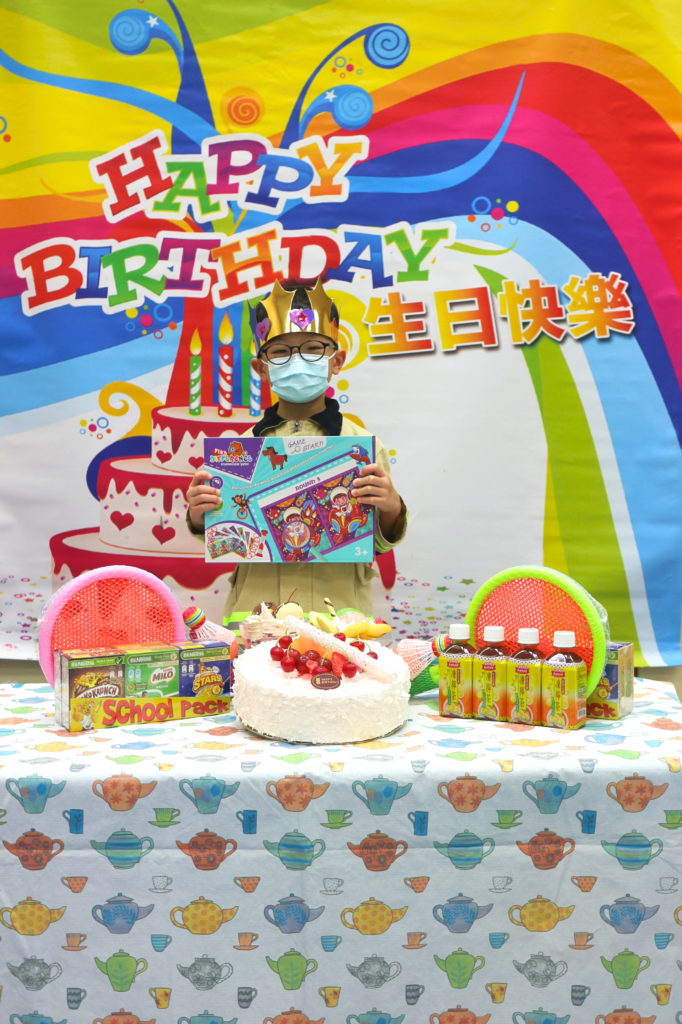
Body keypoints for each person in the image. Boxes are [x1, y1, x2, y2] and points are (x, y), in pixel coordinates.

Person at [186, 278, 407, 624]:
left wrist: (391, 507)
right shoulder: (239, 451)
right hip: (257, 621)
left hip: (338, 622)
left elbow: (376, 542)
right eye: (280, 352)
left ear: (337, 361)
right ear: (261, 368)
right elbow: (226, 534)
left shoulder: (363, 446)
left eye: (313, 348)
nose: (297, 360)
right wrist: (200, 515)